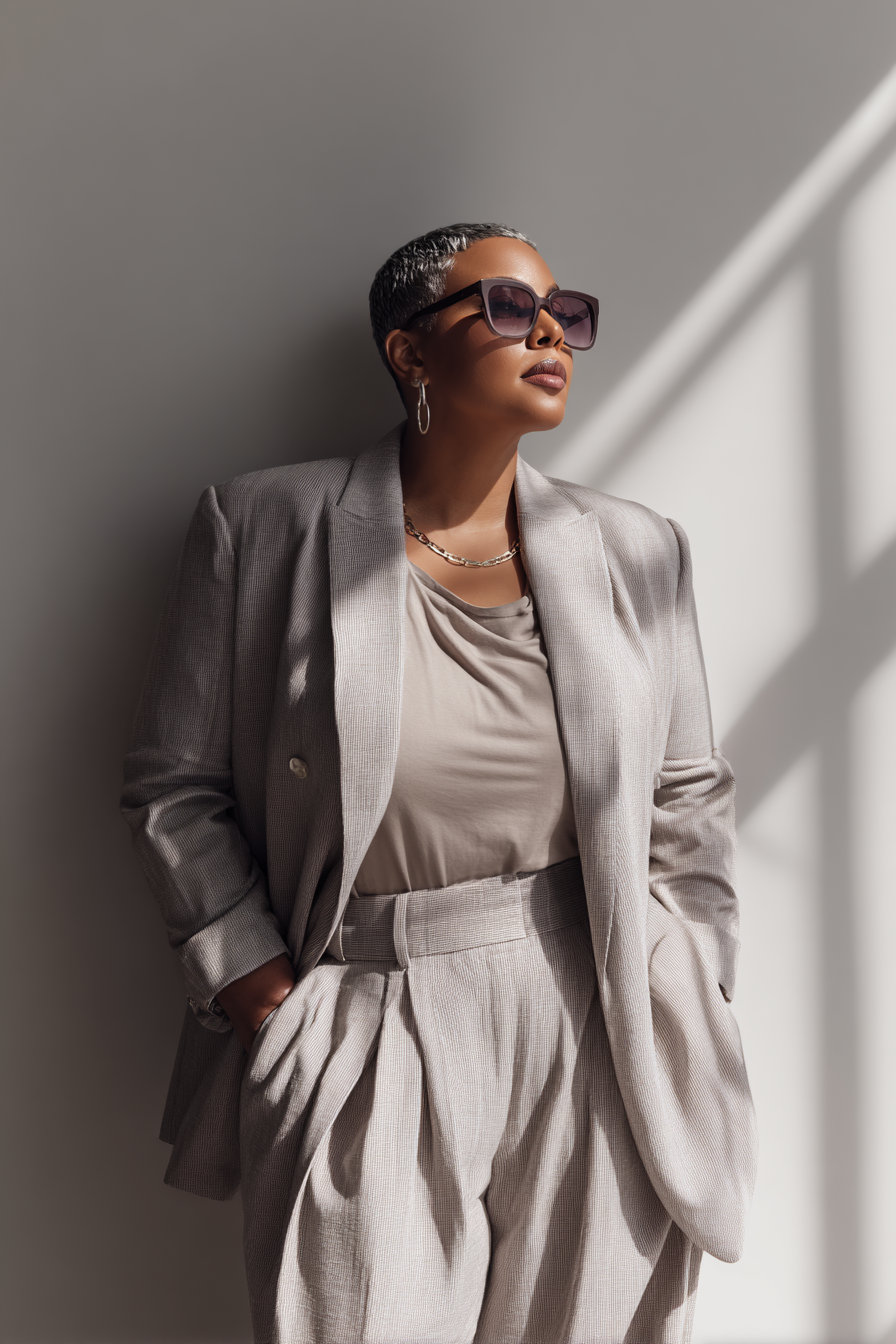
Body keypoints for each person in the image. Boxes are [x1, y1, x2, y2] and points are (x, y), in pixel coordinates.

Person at [121, 222, 756, 1344]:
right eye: (507, 307)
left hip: (599, 999)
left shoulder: (633, 548)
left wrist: (688, 979)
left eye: (568, 312)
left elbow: (684, 792)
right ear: (409, 354)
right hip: (370, 999)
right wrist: (264, 995)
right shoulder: (266, 523)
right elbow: (176, 784)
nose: (551, 330)